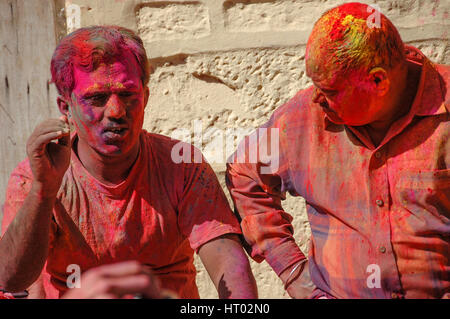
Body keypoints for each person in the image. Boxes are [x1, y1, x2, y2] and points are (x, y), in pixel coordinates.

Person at [0, 26, 257, 299]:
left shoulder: (181, 166)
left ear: (145, 97)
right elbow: (10, 279)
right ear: (66, 107)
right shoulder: (36, 175)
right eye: (96, 98)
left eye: (127, 95)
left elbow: (228, 263)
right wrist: (44, 188)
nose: (116, 111)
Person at [226, 2, 449, 299]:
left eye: (330, 90)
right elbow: (244, 174)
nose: (316, 98)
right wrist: (295, 275)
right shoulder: (303, 119)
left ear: (378, 80)